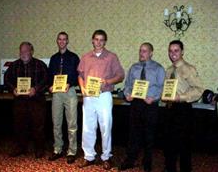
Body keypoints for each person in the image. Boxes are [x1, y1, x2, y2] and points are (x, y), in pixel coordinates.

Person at [77, 29, 124, 170]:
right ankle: (89, 156)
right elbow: (80, 75)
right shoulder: (85, 57)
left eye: (101, 40)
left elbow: (120, 75)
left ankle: (106, 156)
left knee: (105, 127)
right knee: (87, 127)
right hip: (88, 96)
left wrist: (107, 81)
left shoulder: (111, 57)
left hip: (104, 96)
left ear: (105, 41)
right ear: (92, 40)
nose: (98, 42)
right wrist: (83, 89)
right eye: (96, 39)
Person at [119, 42, 165, 172]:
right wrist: (127, 94)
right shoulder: (134, 67)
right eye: (140, 51)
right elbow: (128, 84)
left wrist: (154, 98)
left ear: (151, 53)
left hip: (150, 105)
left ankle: (147, 162)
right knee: (133, 134)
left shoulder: (158, 68)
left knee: (149, 135)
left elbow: (162, 88)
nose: (141, 53)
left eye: (144, 51)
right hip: (136, 104)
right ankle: (130, 160)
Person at [163, 40, 204, 172]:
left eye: (176, 50)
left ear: (182, 52)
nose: (173, 53)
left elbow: (199, 89)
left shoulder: (188, 68)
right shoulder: (169, 70)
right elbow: (168, 89)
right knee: (169, 145)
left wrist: (181, 97)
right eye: (170, 51)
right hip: (169, 110)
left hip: (183, 110)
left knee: (184, 146)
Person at [4, 41, 48, 158]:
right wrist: (13, 89)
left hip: (36, 100)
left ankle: (39, 149)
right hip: (20, 101)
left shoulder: (40, 65)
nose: (23, 53)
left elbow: (46, 80)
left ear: (32, 52)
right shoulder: (14, 65)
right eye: (21, 51)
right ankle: (21, 147)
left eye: (26, 50)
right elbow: (7, 79)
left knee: (38, 126)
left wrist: (36, 89)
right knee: (20, 125)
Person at [48, 32, 80, 164]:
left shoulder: (73, 57)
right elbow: (50, 75)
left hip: (70, 91)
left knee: (72, 123)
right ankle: (58, 149)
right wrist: (49, 86)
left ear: (67, 41)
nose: (62, 41)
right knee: (56, 122)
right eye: (59, 39)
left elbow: (78, 75)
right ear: (57, 41)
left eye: (64, 39)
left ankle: (72, 151)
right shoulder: (53, 58)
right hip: (56, 93)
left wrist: (69, 83)